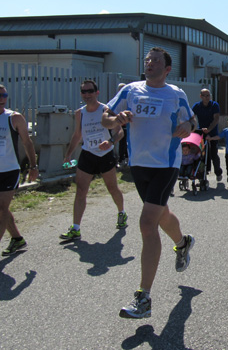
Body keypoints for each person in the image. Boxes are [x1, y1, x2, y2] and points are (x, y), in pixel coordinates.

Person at [102, 47, 196, 319]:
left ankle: (143, 298)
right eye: (147, 60)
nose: (150, 64)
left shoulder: (176, 94)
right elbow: (105, 116)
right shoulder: (131, 90)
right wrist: (116, 119)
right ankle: (183, 241)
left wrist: (188, 127)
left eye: (156, 61)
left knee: (146, 223)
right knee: (160, 214)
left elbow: (192, 119)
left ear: (167, 69)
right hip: (139, 164)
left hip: (166, 164)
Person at [60, 80, 127, 242]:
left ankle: (121, 213)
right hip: (88, 154)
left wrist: (110, 142)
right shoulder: (79, 113)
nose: (87, 95)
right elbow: (77, 135)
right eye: (84, 92)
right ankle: (75, 228)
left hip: (105, 155)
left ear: (97, 93)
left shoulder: (106, 110)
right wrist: (68, 154)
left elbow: (120, 133)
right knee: (81, 190)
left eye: (90, 91)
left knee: (112, 188)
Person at [0, 85, 38, 256]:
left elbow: (27, 142)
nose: (1, 98)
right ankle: (17, 238)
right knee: (2, 210)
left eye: (4, 95)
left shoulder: (14, 118)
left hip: (9, 170)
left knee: (1, 209)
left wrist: (33, 166)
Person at [192, 89, 223, 182]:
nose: (206, 97)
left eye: (208, 95)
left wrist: (209, 129)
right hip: (201, 133)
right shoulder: (197, 106)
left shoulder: (214, 105)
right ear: (200, 96)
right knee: (201, 155)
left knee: (213, 154)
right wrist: (191, 128)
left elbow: (216, 119)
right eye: (204, 95)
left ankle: (218, 172)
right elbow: (192, 117)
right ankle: (203, 174)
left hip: (212, 133)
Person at [116, 83, 129, 167]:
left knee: (127, 143)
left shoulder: (129, 100)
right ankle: (121, 159)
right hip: (120, 125)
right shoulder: (117, 100)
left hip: (129, 126)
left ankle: (127, 159)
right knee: (122, 143)